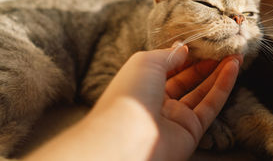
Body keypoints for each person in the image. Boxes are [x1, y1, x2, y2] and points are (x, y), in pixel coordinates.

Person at [25, 42, 242, 161]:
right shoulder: (129, 39)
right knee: (25, 78)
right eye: (205, 4)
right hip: (36, 38)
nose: (236, 18)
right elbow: (94, 81)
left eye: (247, 14)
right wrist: (125, 116)